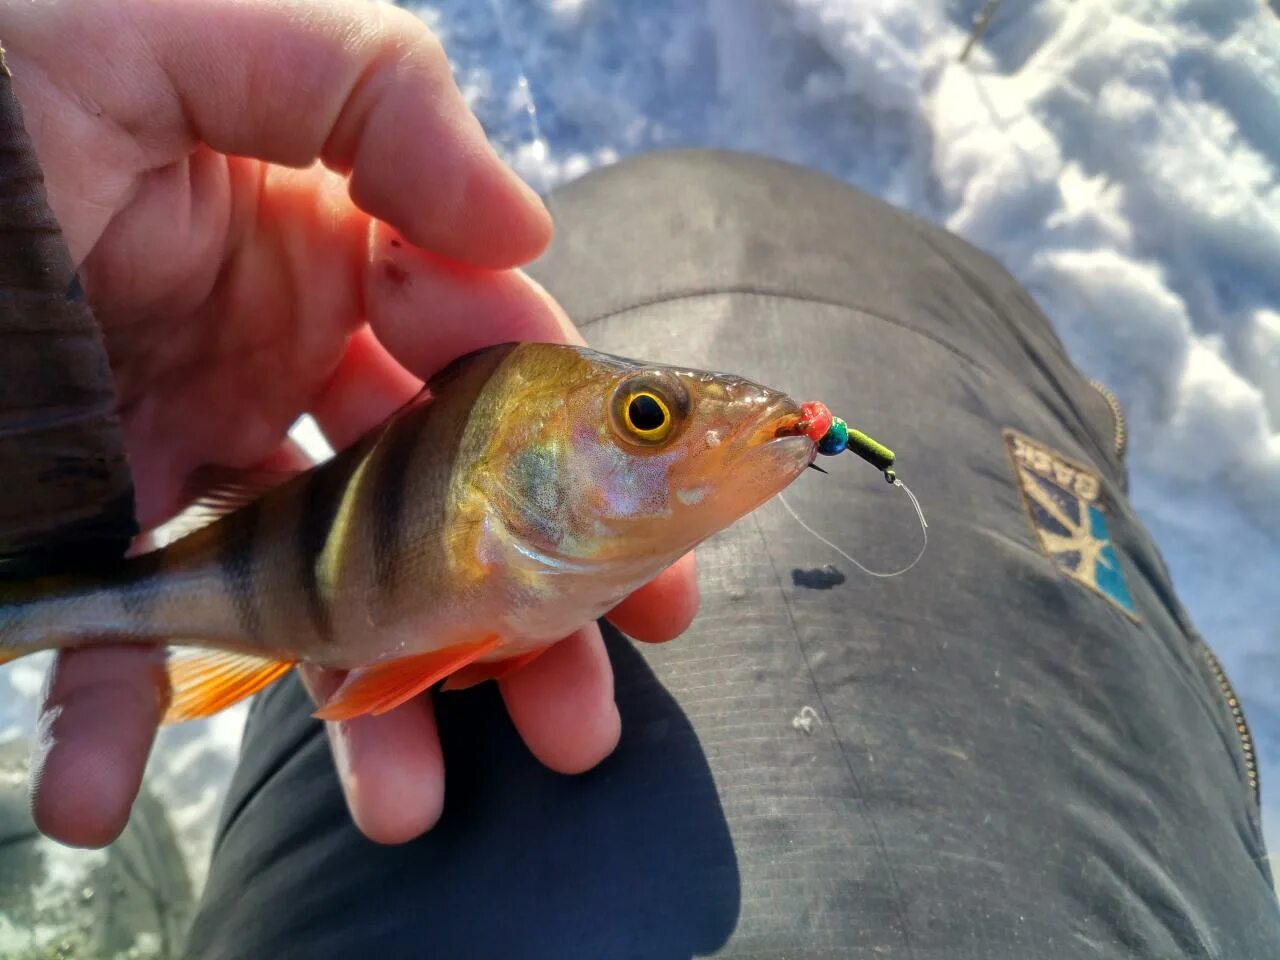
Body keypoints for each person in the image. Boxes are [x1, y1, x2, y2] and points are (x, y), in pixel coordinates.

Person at [0, 1, 1275, 957]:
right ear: (507, 482)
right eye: (648, 416)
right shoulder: (505, 544)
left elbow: (407, 653)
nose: (692, 430)